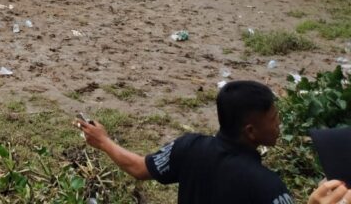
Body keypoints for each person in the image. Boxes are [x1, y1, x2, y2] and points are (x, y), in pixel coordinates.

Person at [79, 80, 293, 204]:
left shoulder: (189, 147)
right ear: (251, 131)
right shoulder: (268, 186)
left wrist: (103, 141)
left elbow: (138, 168)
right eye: (273, 118)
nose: (278, 123)